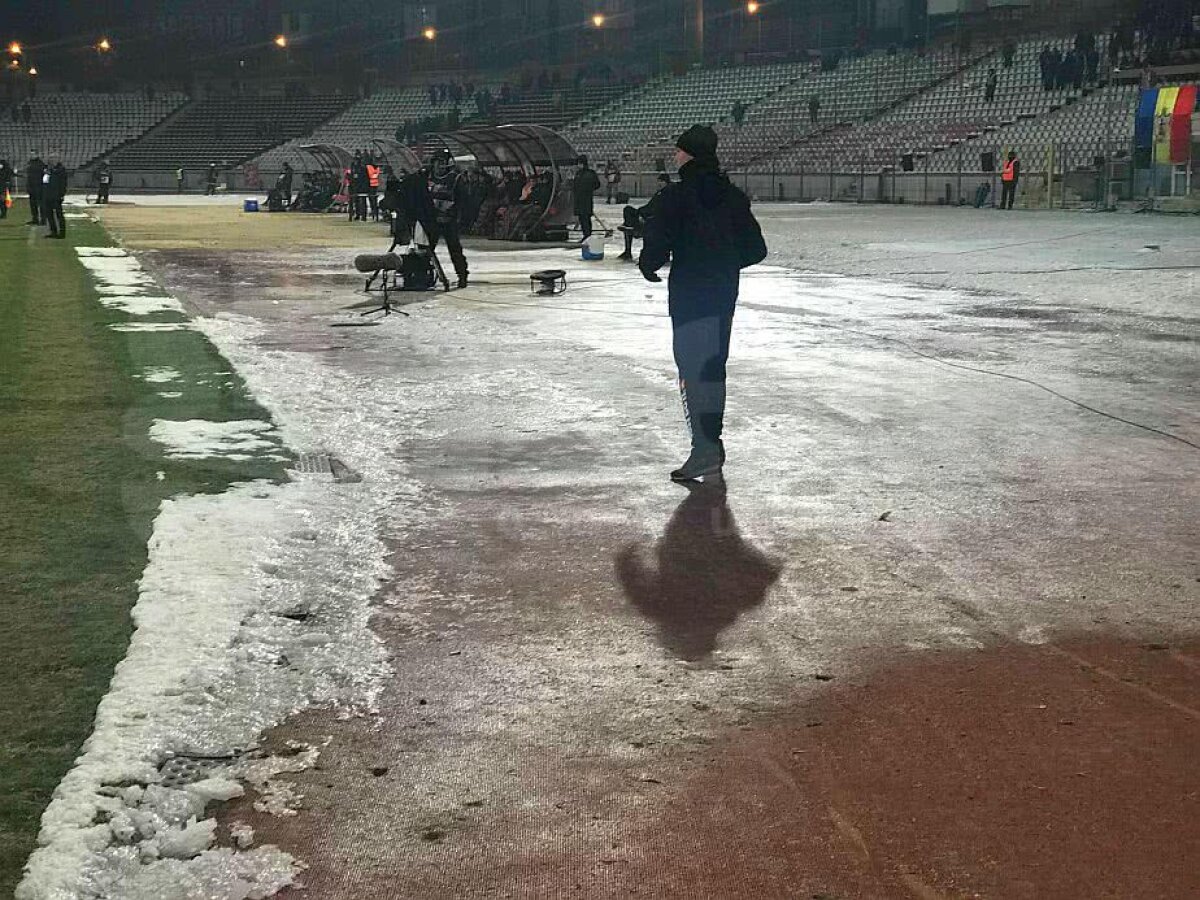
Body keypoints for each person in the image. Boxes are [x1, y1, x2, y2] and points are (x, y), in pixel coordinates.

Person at [639, 125, 766, 483]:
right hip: (723, 293)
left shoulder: (676, 197)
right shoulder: (733, 196)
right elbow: (756, 249)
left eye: (680, 151)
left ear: (690, 154)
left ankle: (704, 448)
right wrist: (723, 262)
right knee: (713, 368)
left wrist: (649, 265)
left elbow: (657, 245)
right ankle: (711, 443)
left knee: (692, 371)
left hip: (689, 295)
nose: (676, 156)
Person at [426, 148, 470, 288]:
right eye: (437, 162)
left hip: (449, 220)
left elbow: (462, 200)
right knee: (427, 249)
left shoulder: (455, 179)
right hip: (432, 220)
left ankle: (462, 276)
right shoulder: (428, 177)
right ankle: (427, 275)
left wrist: (456, 216)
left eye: (441, 162)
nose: (438, 166)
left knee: (455, 249)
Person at [618, 173, 670, 260]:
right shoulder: (659, 193)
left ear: (666, 183)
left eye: (661, 181)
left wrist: (642, 214)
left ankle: (630, 226)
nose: (659, 183)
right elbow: (649, 206)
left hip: (654, 220)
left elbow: (656, 209)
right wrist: (640, 211)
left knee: (629, 213)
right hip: (647, 215)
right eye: (658, 181)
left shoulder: (666, 194)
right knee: (627, 209)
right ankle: (629, 226)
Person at [572, 156, 600, 240]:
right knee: (583, 218)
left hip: (585, 199)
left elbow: (596, 185)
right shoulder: (580, 173)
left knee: (585, 218)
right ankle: (586, 235)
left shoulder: (586, 174)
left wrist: (587, 189)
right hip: (582, 199)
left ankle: (587, 235)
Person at [43, 160, 68, 239]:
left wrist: (62, 194)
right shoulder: (48, 170)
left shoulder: (61, 170)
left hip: (56, 195)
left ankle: (62, 233)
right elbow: (45, 182)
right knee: (49, 214)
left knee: (59, 215)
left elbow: (63, 183)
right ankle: (53, 231)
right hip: (48, 195)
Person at [26, 151, 46, 226]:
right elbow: (29, 176)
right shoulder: (29, 163)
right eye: (31, 154)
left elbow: (43, 175)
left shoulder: (41, 164)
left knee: (41, 204)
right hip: (31, 187)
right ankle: (35, 219)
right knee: (33, 204)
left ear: (37, 155)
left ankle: (43, 219)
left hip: (39, 187)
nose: (32, 155)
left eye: (33, 154)